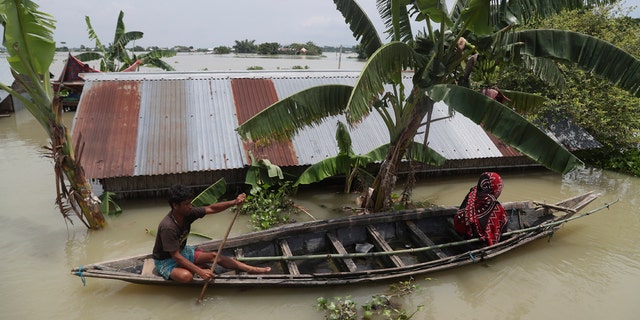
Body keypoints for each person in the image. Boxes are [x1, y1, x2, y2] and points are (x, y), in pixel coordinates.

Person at [152, 184, 271, 283]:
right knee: (186, 277)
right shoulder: (168, 227)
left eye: (190, 203)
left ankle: (253, 269)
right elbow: (176, 256)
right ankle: (197, 268)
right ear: (175, 205)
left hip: (183, 251)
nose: (191, 206)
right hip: (166, 261)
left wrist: (234, 202)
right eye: (187, 204)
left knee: (214, 256)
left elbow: (211, 209)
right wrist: (200, 272)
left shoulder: (188, 213)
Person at [453, 172, 508, 246]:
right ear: (494, 188)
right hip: (479, 239)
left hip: (462, 230)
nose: (499, 190)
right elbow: (504, 225)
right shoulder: (494, 205)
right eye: (499, 187)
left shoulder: (473, 193)